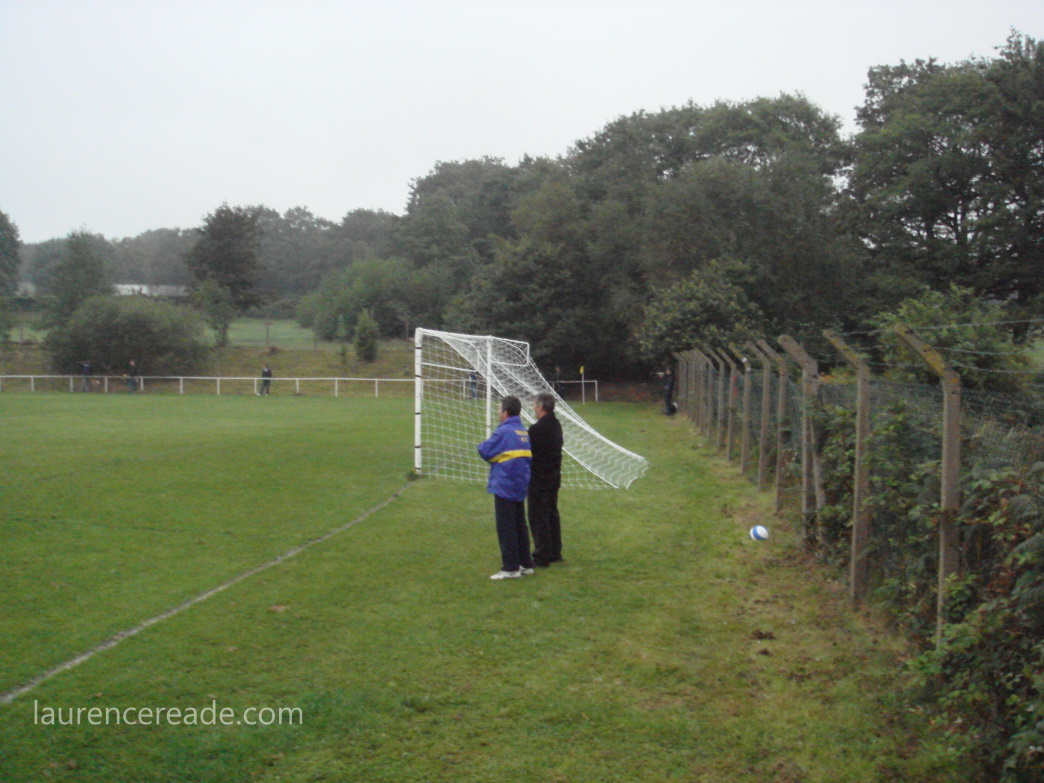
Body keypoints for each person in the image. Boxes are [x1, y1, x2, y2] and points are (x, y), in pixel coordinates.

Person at [477, 396, 535, 580]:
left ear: (506, 412)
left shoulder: (504, 431)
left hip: (505, 483)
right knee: (520, 525)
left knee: (506, 527)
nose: (498, 412)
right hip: (520, 483)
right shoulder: (523, 431)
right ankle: (525, 563)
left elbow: (484, 450)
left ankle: (510, 568)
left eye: (499, 409)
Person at [527, 391, 564, 567]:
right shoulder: (556, 424)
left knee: (539, 516)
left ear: (541, 406)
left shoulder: (537, 429)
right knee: (551, 514)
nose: (533, 407)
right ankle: (555, 551)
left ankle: (542, 555)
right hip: (553, 476)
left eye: (535, 404)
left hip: (539, 478)